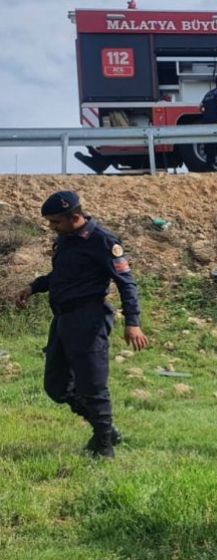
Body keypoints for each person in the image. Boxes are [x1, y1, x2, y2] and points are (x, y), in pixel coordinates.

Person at [14, 191, 149, 459]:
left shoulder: (102, 241)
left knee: (92, 386)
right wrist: (33, 287)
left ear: (75, 217)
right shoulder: (67, 240)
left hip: (89, 320)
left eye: (56, 223)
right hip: (63, 320)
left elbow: (127, 283)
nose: (52, 228)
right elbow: (62, 275)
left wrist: (132, 322)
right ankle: (106, 430)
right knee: (56, 386)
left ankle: (104, 448)